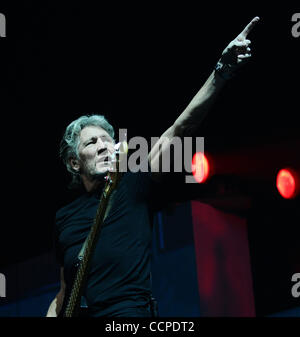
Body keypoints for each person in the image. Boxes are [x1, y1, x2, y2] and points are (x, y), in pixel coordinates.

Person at [46, 17, 260, 317]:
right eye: (91, 143)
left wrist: (220, 73)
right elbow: (66, 290)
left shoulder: (133, 183)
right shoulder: (64, 218)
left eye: (107, 140)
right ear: (73, 162)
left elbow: (181, 127)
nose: (103, 145)